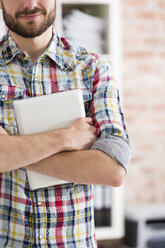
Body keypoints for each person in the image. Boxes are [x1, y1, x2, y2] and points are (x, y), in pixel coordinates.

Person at [0, 0, 131, 247]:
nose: (29, 4)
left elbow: (112, 170)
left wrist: (12, 153)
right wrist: (66, 138)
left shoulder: (92, 68)